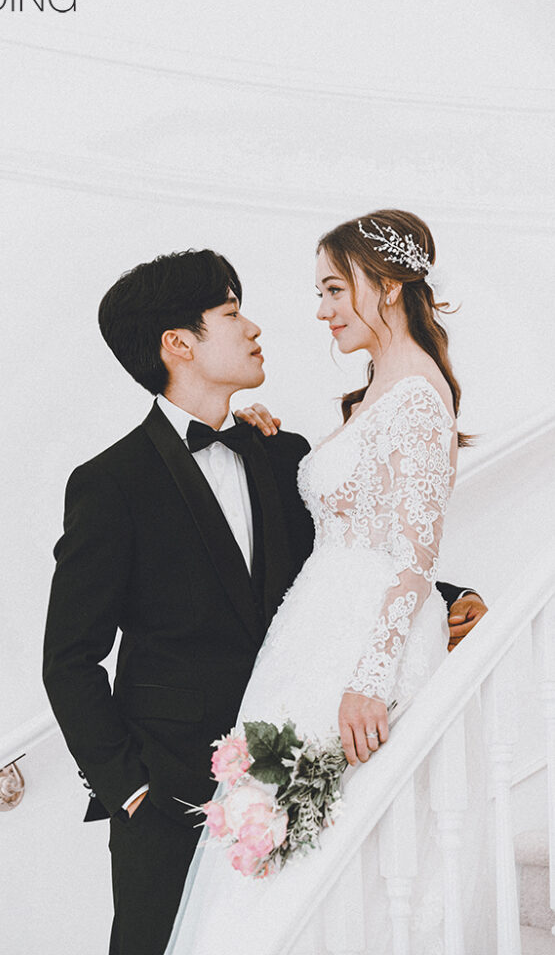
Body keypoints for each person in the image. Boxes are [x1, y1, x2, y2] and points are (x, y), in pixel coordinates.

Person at [42, 244, 486, 955]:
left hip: (295, 763)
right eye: (230, 313)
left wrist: (447, 598)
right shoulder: (109, 483)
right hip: (170, 793)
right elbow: (69, 658)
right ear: (179, 343)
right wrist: (130, 791)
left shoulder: (280, 453)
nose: (253, 327)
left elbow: (341, 562)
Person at [164, 212, 487, 955]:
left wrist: (370, 680)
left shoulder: (417, 395)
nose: (321, 310)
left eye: (335, 289)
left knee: (343, 849)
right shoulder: (379, 390)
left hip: (361, 651)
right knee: (277, 841)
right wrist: (261, 439)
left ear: (389, 285)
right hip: (311, 637)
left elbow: (414, 557)